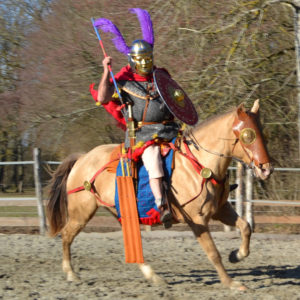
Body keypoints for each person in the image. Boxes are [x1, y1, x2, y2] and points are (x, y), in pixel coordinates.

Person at [97, 39, 180, 228]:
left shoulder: (161, 77)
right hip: (144, 137)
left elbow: (178, 99)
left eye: (147, 58)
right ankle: (161, 204)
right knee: (154, 161)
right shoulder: (125, 83)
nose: (145, 63)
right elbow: (102, 97)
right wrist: (105, 71)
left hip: (170, 130)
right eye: (140, 59)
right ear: (133, 60)